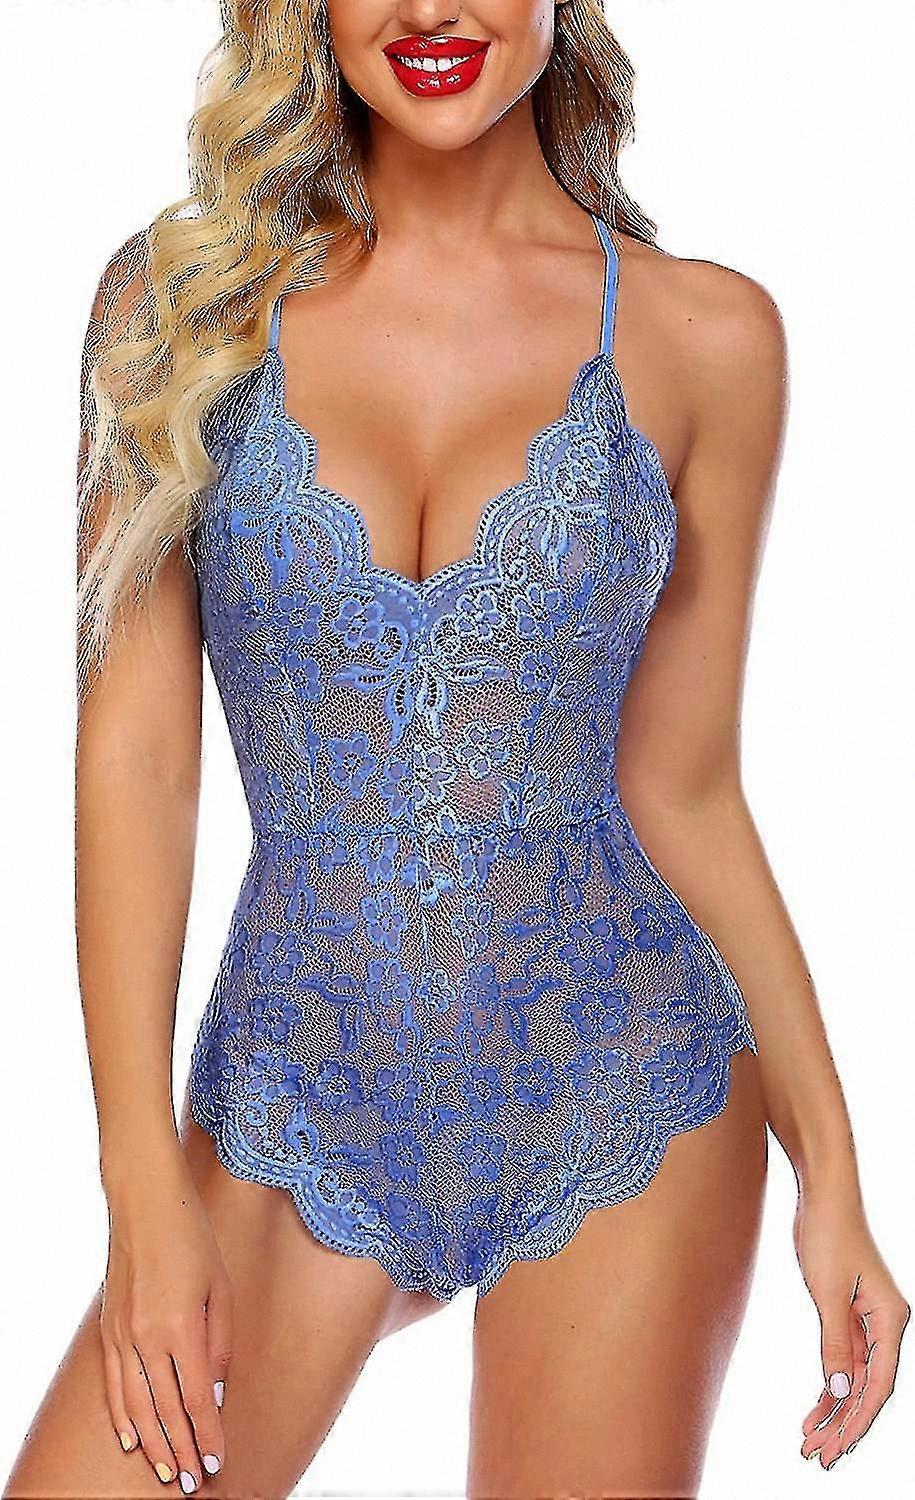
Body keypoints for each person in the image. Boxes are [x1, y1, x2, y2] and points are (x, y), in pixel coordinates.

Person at [4, 2, 908, 1497]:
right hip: (297, 1097)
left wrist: (834, 1170)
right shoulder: (180, 310)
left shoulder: (706, 338)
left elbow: (684, 786)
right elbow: (136, 764)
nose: (432, 10)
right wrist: (141, 1195)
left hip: (625, 1090)